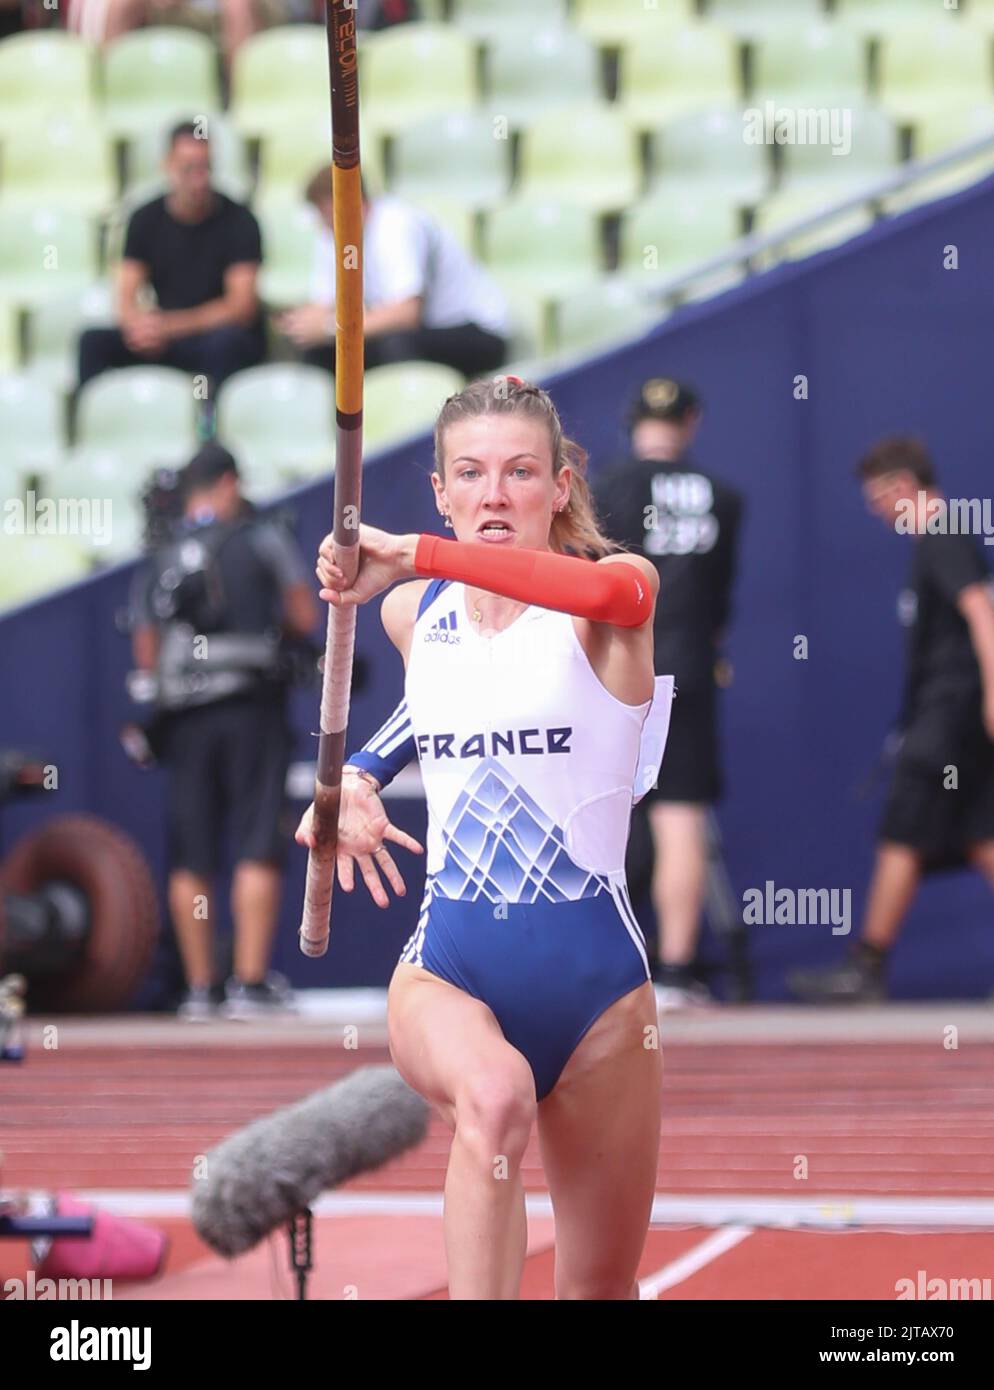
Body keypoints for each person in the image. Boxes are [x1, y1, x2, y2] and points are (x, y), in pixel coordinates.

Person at [296, 378, 673, 1299]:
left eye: (519, 473)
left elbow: (596, 593)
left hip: (603, 1008)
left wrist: (418, 554)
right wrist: (355, 780)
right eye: (470, 473)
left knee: (599, 1290)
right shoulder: (410, 615)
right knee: (494, 1095)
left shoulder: (617, 596)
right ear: (441, 489)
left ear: (562, 483)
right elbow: (432, 707)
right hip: (450, 970)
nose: (494, 495)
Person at [788, 436, 994, 1003]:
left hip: (948, 719)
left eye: (878, 497)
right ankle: (868, 964)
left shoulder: (943, 536)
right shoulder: (941, 540)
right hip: (954, 718)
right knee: (986, 837)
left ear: (903, 487)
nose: (875, 510)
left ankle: (866, 967)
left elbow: (983, 613)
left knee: (902, 835)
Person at [129, 442, 318, 1019]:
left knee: (193, 851)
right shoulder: (261, 539)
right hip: (250, 709)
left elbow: (144, 647)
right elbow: (304, 616)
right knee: (258, 839)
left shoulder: (160, 554)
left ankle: (200, 987)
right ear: (230, 483)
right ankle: (249, 983)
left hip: (185, 719)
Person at [591, 378, 743, 1008]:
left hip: (616, 664)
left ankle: (604, 967)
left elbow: (588, 578)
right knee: (680, 813)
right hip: (688, 663)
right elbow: (720, 599)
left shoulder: (610, 487)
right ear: (693, 421)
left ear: (632, 422)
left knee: (598, 808)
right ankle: (677, 969)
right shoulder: (724, 498)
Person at [78, 121, 265, 393]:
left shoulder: (240, 220)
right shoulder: (144, 219)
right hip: (167, 337)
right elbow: (125, 292)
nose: (199, 179)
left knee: (228, 343)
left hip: (212, 336)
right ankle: (96, 423)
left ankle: (214, 431)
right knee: (92, 342)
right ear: (167, 165)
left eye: (206, 168)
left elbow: (240, 307)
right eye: (189, 168)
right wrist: (138, 326)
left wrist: (169, 326)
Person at [276, 169, 510, 376]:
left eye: (328, 213)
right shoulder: (331, 233)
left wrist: (330, 327)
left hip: (477, 331)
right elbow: (325, 303)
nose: (324, 222)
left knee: (395, 344)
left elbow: (407, 314)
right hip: (420, 333)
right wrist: (301, 324)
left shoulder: (396, 225)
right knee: (321, 349)